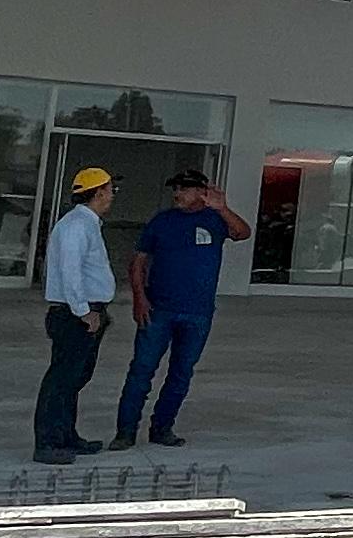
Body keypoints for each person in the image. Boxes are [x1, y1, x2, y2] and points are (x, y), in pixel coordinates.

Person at [111, 167, 248, 451]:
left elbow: (243, 233)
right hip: (158, 310)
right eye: (175, 188)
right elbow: (138, 262)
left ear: (202, 192)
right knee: (141, 371)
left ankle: (162, 428)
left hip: (198, 313)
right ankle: (125, 432)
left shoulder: (215, 220)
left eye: (184, 189)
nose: (177, 194)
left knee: (181, 373)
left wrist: (223, 209)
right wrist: (139, 298)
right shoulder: (162, 221)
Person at [33, 164, 117, 465]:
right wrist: (83, 311)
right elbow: (71, 272)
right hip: (75, 314)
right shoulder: (77, 226)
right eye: (109, 190)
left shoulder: (86, 224)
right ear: (98, 193)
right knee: (62, 379)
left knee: (74, 378)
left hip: (85, 311)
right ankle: (48, 442)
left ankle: (66, 435)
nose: (112, 195)